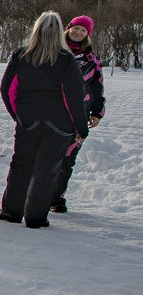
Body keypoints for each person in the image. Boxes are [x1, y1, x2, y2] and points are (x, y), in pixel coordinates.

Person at [0, 12, 88, 229]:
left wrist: (18, 116)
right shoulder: (66, 60)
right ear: (59, 32)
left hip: (29, 120)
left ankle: (11, 211)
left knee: (21, 164)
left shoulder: (22, 55)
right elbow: (74, 97)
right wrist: (81, 127)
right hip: (59, 124)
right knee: (47, 170)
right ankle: (36, 218)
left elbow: (8, 90)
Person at [51, 15, 105, 212]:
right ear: (68, 29)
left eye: (83, 30)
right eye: (76, 29)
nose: (78, 33)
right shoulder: (54, 50)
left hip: (77, 115)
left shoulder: (91, 59)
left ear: (87, 35)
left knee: (67, 159)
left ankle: (56, 199)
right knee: (45, 155)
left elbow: (97, 87)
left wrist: (97, 112)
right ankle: (34, 195)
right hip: (51, 111)